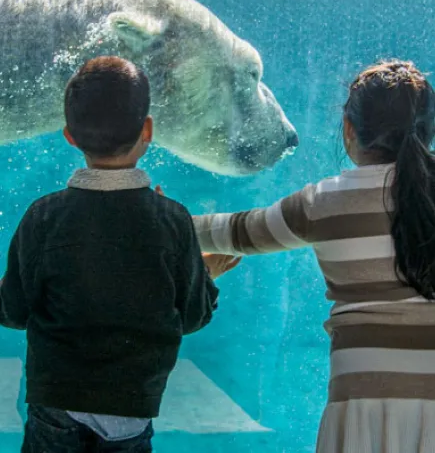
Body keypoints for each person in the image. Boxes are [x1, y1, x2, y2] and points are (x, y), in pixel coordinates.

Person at [191, 60, 435, 452]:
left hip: (359, 404)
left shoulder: (324, 202)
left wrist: (166, 219)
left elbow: (235, 231)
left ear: (349, 129)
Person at [0, 56, 240, 453]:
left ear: (69, 137)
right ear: (148, 130)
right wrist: (206, 273)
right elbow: (192, 316)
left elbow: (13, 309)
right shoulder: (172, 220)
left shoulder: (44, 216)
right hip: (131, 408)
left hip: (55, 404)